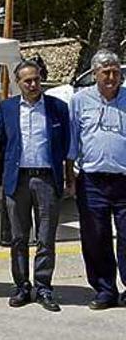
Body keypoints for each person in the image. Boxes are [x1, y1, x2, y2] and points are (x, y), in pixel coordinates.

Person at [0, 60, 70, 312]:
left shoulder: (57, 107)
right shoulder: (6, 108)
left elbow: (66, 145)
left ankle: (44, 287)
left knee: (46, 237)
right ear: (18, 83)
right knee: (18, 237)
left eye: (37, 79)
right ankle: (21, 286)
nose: (33, 84)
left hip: (47, 179)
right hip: (17, 180)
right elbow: (3, 142)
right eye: (27, 80)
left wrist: (68, 179)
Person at [67, 49, 126, 310]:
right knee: (95, 236)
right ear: (95, 75)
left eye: (116, 72)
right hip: (91, 181)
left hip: (124, 180)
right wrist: (70, 177)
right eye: (107, 72)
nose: (112, 77)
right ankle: (104, 290)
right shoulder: (80, 100)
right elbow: (72, 142)